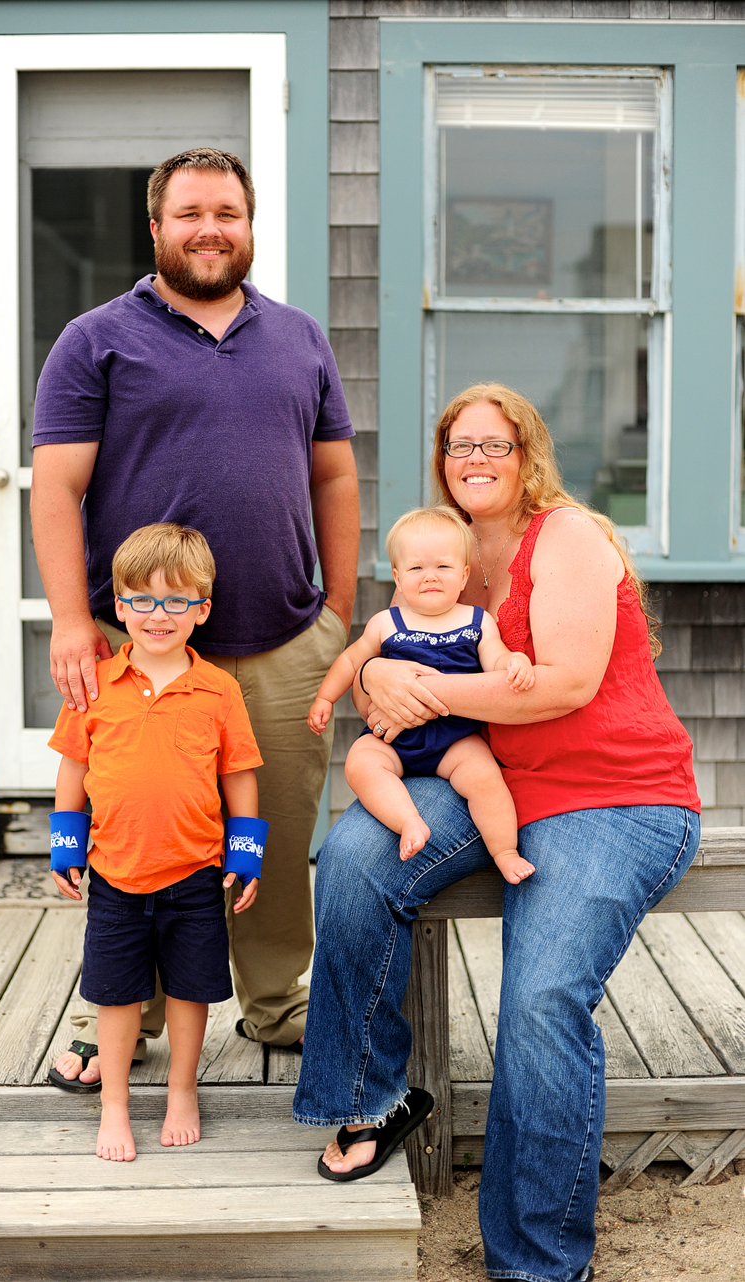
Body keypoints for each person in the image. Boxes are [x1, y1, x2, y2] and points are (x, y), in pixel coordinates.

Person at [294, 383, 700, 1282]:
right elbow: (392, 656)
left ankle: (539, 1259)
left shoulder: (569, 539)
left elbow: (559, 685)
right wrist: (373, 689)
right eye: (458, 446)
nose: (475, 461)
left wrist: (413, 690)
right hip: (493, 776)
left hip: (614, 796)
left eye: (494, 445)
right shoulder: (443, 549)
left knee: (537, 1002)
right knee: (357, 853)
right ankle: (371, 1098)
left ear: (528, 455)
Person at [31, 147, 358, 1088]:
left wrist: (336, 612)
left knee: (276, 835)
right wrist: (68, 622)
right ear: (157, 228)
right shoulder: (95, 339)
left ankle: (274, 1002)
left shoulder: (299, 338)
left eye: (228, 211)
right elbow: (56, 489)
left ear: (250, 225)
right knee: (140, 840)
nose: (211, 228)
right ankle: (118, 1016)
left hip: (287, 642)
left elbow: (333, 476)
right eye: (190, 213)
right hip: (146, 656)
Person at [49, 524, 262, 1158]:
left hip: (195, 872)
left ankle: (181, 1091)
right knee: (115, 995)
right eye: (141, 600)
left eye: (176, 601)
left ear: (203, 608)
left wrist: (245, 855)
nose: (157, 615)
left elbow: (239, 774)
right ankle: (114, 1105)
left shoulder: (219, 690)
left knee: (191, 989)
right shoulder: (94, 687)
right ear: (119, 607)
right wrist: (66, 846)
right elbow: (72, 770)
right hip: (115, 871)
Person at [307, 505, 535, 882]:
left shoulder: (476, 621)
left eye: (442, 567)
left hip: (454, 739)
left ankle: (505, 851)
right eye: (416, 568)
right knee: (360, 763)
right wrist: (325, 698)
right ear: (397, 577)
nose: (429, 576)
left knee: (485, 780)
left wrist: (515, 663)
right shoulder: (386, 623)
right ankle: (409, 822)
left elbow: (495, 658)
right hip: (393, 740)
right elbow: (351, 662)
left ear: (463, 575)